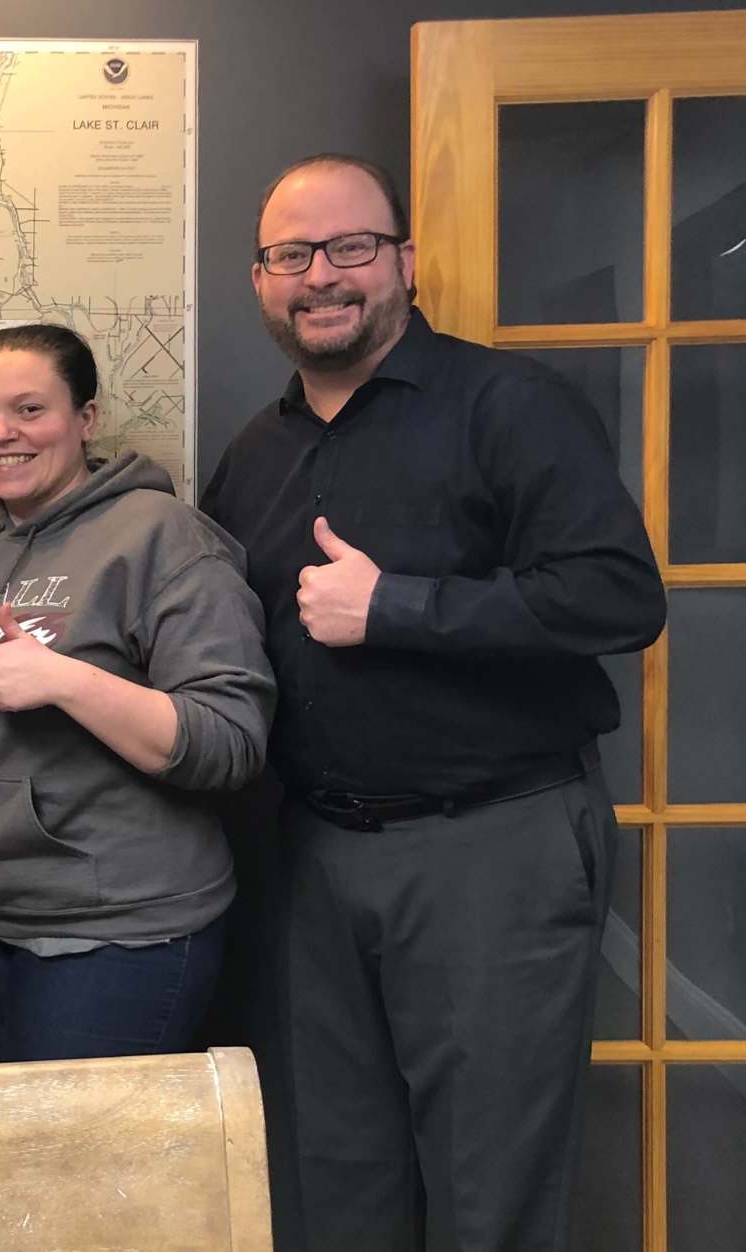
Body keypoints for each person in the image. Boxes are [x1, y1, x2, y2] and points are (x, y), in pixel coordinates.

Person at [199, 153, 666, 1252]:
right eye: (290, 255)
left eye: (351, 247)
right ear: (261, 280)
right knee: (336, 1185)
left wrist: (396, 606)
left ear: (405, 261)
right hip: (313, 862)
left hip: (490, 850)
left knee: (489, 1193)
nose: (322, 275)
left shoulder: (508, 404)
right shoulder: (255, 455)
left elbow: (617, 593)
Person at [0, 322, 274, 1062]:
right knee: (10, 1164)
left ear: (86, 419)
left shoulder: (163, 537)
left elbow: (229, 740)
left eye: (31, 409)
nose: (3, 433)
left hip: (113, 932)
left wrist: (68, 681)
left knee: (83, 1176)